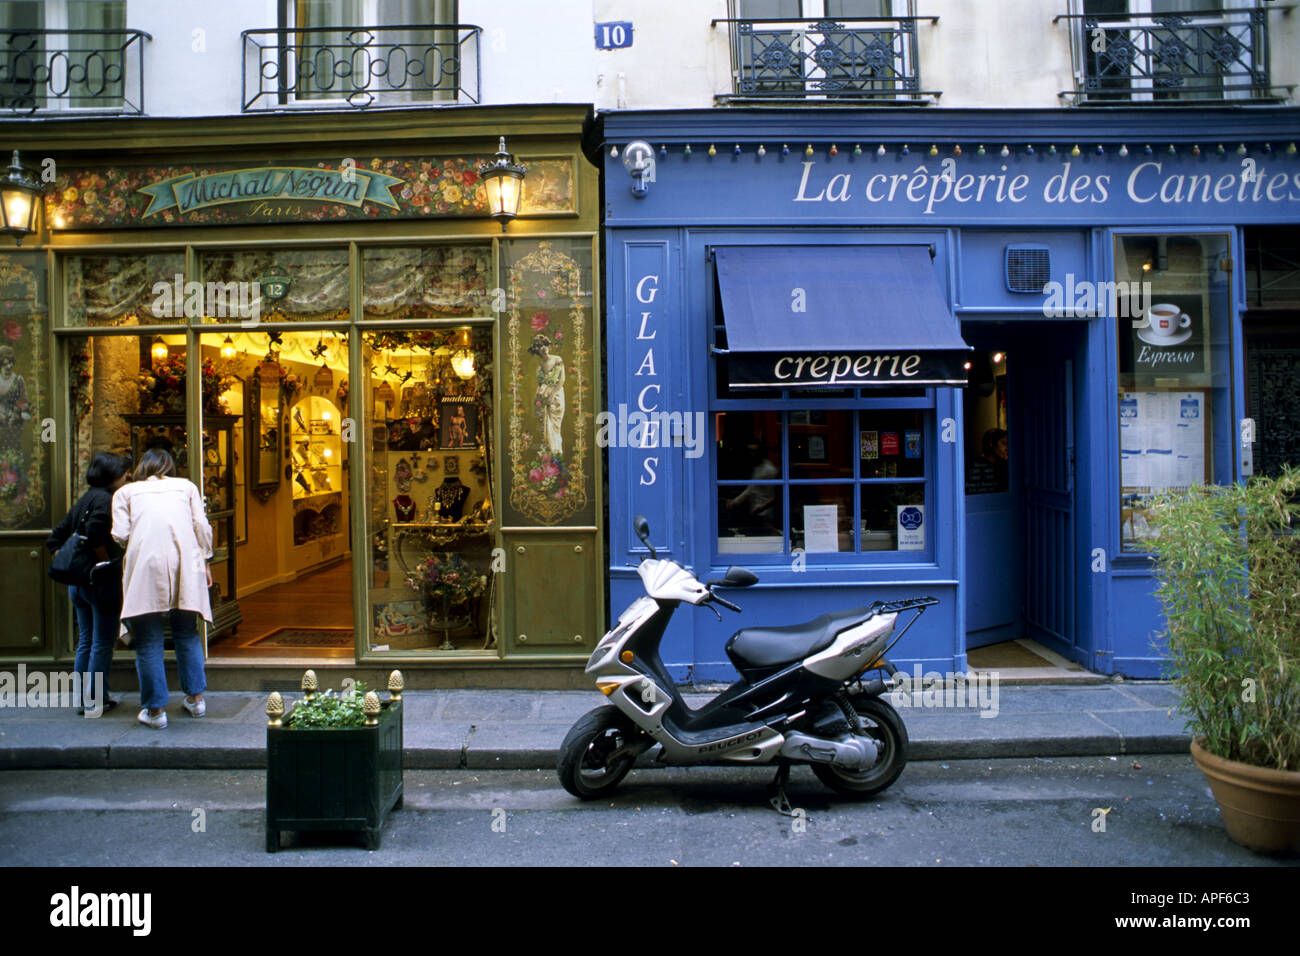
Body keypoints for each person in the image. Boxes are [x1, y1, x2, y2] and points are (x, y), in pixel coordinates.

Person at [112, 448, 212, 730]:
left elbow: (120, 534)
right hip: (187, 561)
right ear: (170, 466)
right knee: (186, 631)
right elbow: (200, 526)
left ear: (142, 467)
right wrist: (206, 559)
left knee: (148, 639)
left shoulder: (126, 493)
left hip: (145, 563)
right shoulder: (186, 487)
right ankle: (196, 699)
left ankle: (155, 712)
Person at [46, 453, 131, 716]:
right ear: (113, 475)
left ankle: (84, 699)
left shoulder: (85, 497)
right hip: (98, 582)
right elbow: (95, 535)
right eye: (125, 473)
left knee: (86, 640)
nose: (128, 477)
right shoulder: (107, 499)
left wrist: (69, 559)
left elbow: (56, 537)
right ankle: (96, 701)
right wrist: (105, 562)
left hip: (79, 583)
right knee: (102, 642)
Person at [529, 334, 565, 457]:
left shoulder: (557, 359)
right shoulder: (540, 366)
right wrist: (540, 397)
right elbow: (540, 384)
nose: (543, 348)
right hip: (543, 397)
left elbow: (561, 380)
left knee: (555, 425)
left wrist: (551, 395)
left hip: (556, 396)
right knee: (544, 425)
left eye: (544, 344)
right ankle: (548, 454)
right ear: (537, 350)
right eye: (540, 346)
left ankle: (556, 453)